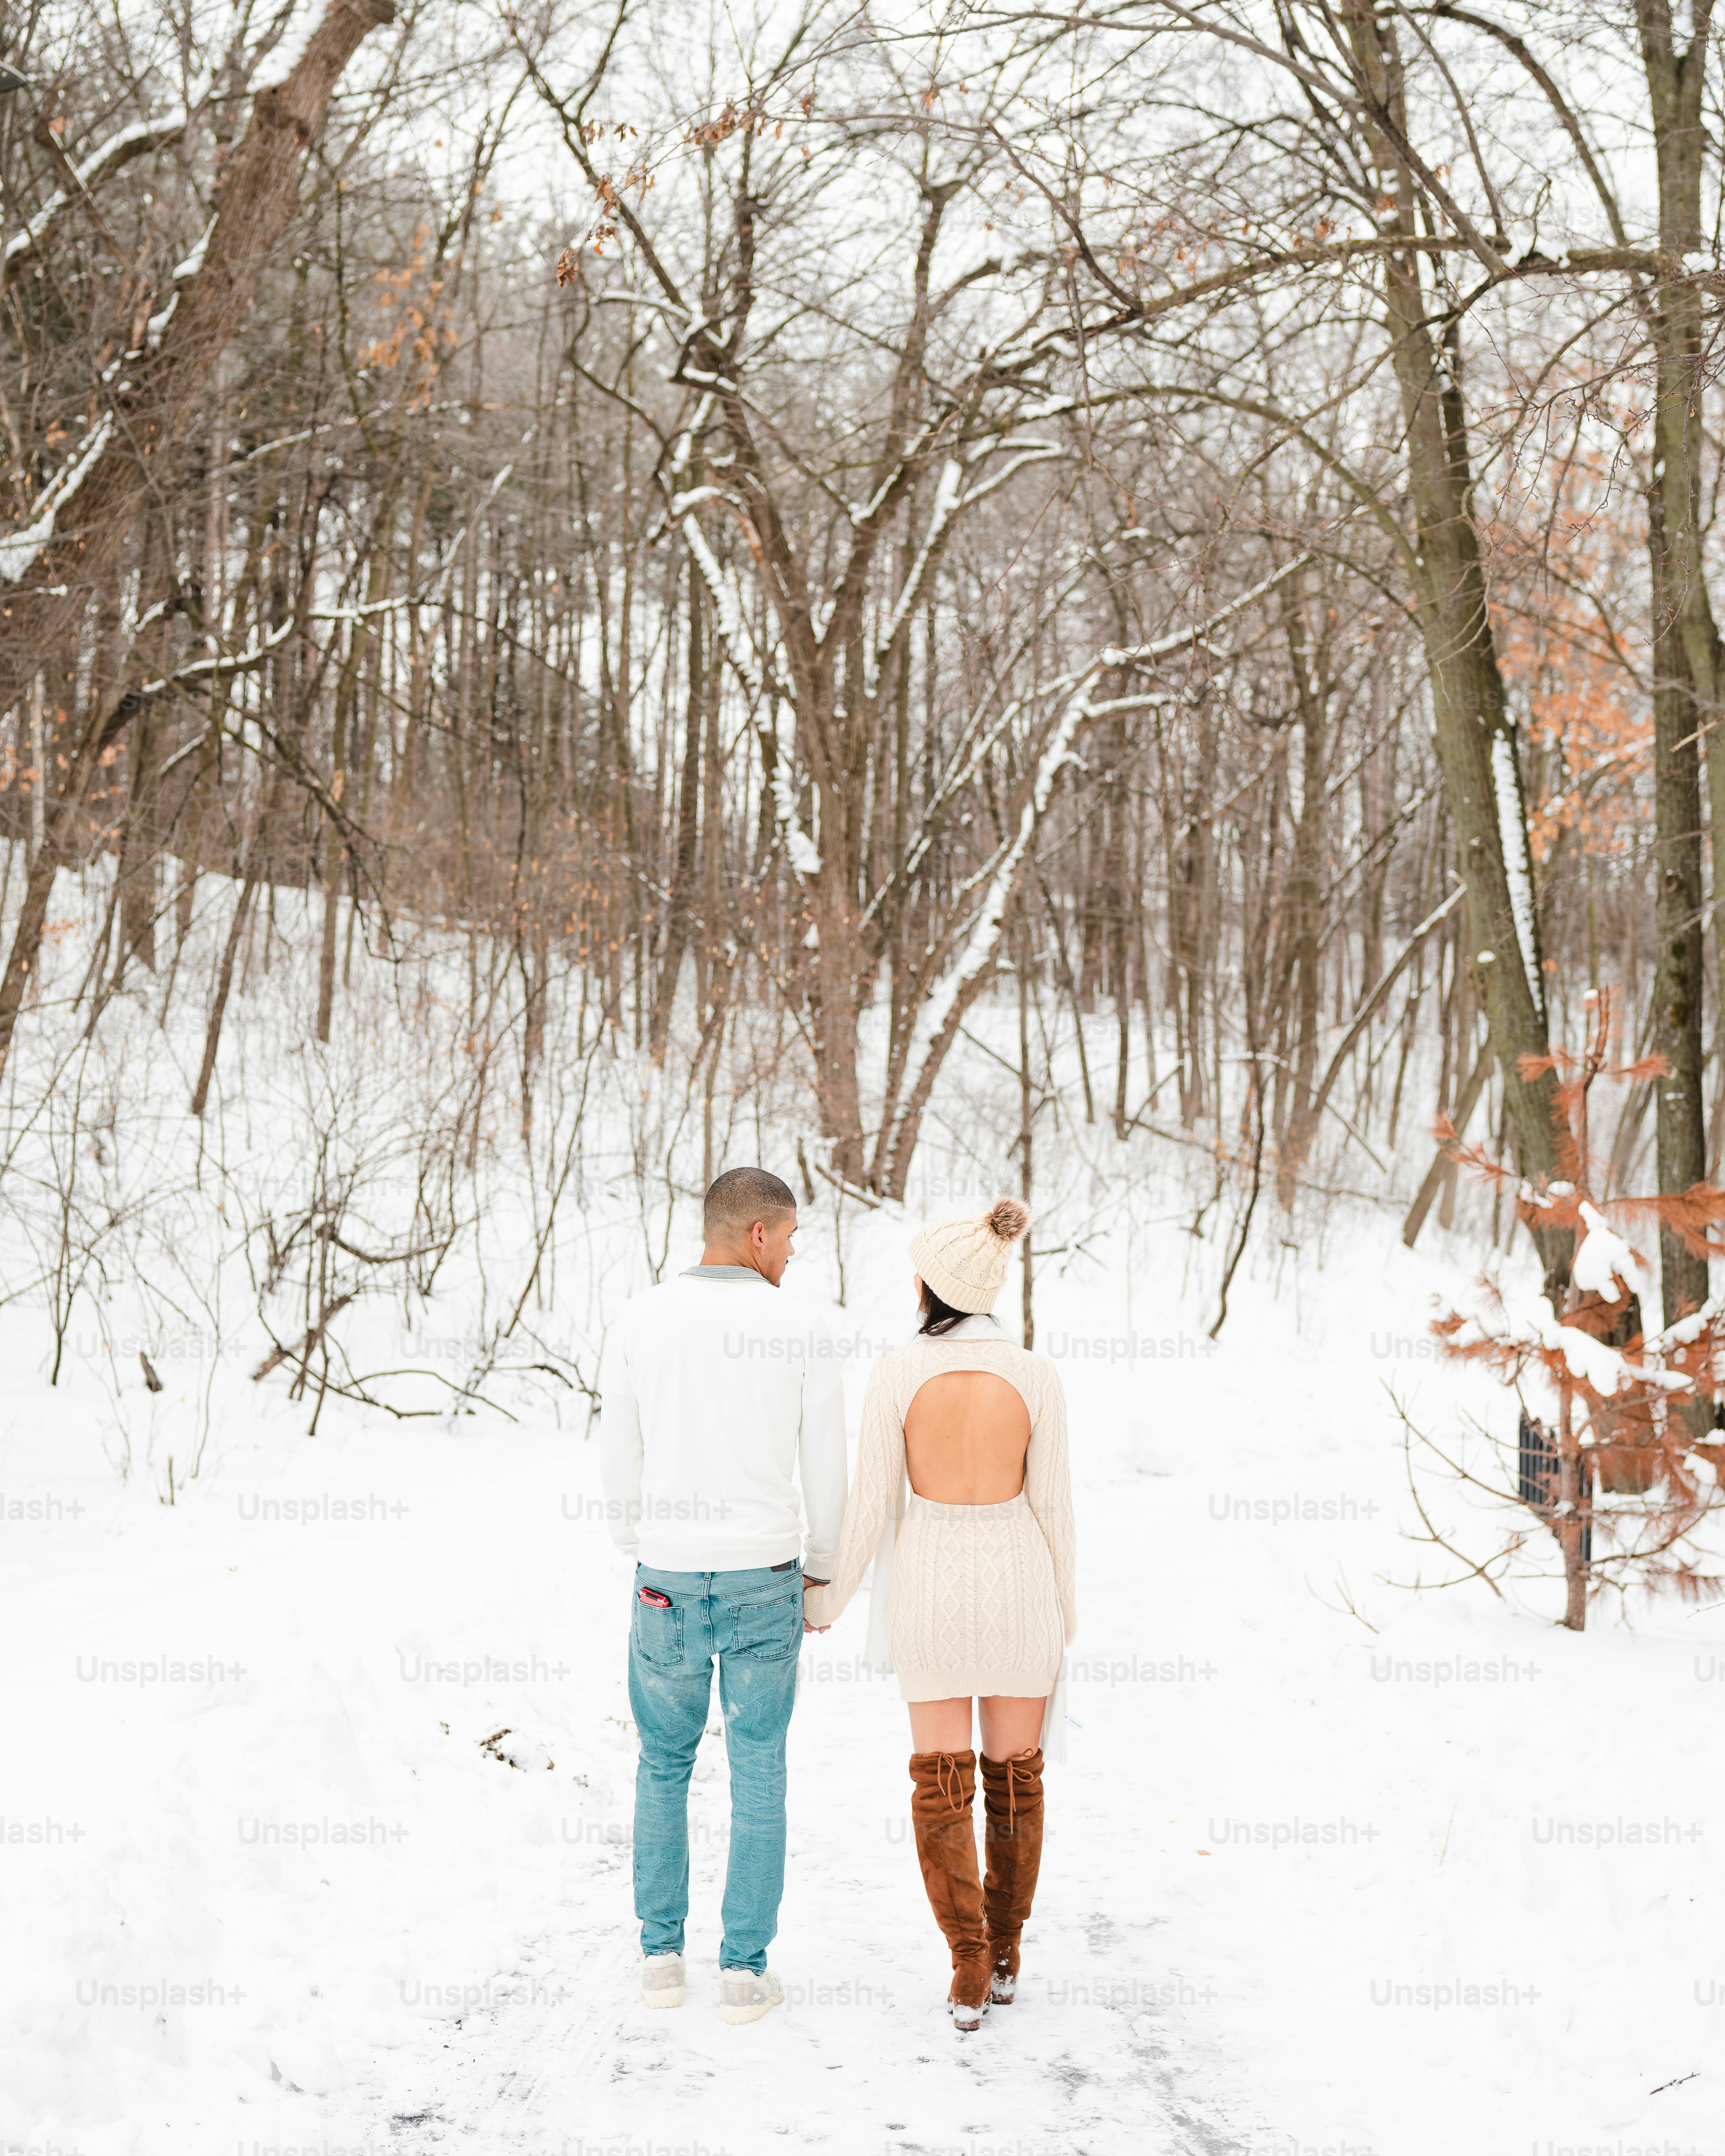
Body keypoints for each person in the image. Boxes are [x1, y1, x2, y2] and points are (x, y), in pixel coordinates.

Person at [802, 1198, 1076, 2032]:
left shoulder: (895, 1372)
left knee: (942, 1784)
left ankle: (965, 1959)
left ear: (936, 1287)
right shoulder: (1036, 1375)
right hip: (1021, 1590)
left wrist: (828, 1602)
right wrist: (1065, 1622)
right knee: (1015, 1779)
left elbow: (870, 1510)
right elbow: (1056, 1510)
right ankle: (1006, 1951)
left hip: (929, 1597)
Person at [599, 1167, 845, 2025]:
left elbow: (616, 1452)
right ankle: (744, 1970)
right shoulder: (801, 1325)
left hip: (666, 1574)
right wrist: (823, 1568)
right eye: (789, 1239)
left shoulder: (640, 1317)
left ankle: (661, 1956)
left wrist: (643, 1540)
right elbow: (826, 1462)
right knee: (759, 1767)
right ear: (758, 1235)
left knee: (663, 1763)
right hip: (764, 1577)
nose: (791, 1256)